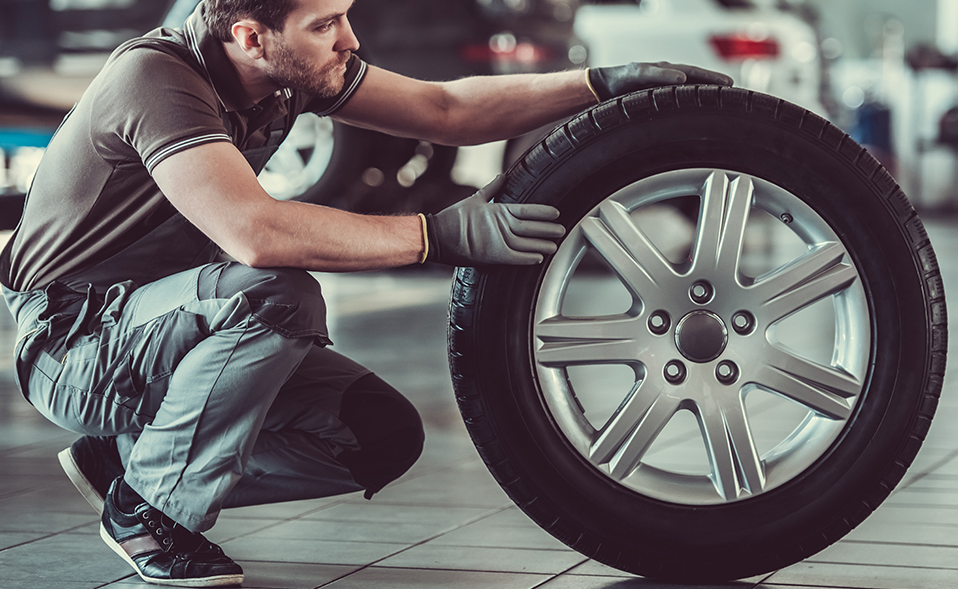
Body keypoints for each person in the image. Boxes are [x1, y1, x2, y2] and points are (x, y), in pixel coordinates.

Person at [0, 0, 733, 586]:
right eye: (326, 24)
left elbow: (446, 110)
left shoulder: (285, 69)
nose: (349, 37)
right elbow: (254, 231)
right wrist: (435, 235)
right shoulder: (157, 80)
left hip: (165, 319)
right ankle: (150, 508)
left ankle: (132, 462)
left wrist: (597, 84)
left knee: (376, 434)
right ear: (252, 36)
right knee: (274, 292)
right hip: (73, 340)